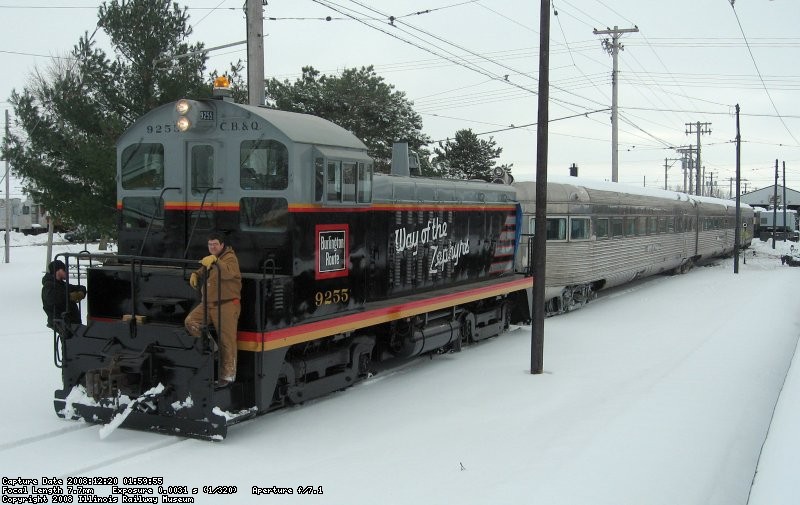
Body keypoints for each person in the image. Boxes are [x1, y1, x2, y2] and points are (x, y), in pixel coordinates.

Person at [184, 232, 242, 388]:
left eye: (215, 244)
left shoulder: (229, 258)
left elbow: (230, 272)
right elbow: (204, 270)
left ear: (222, 245)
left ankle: (227, 376)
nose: (212, 247)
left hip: (226, 305)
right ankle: (212, 348)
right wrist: (196, 274)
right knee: (191, 321)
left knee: (227, 340)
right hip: (208, 304)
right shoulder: (211, 260)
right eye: (210, 245)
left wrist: (216, 260)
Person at [42, 259, 87, 330]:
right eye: (64, 270)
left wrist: (80, 293)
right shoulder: (48, 286)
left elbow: (81, 287)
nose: (67, 272)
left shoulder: (62, 284)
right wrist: (69, 296)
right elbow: (51, 298)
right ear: (58, 271)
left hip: (71, 323)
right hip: (62, 324)